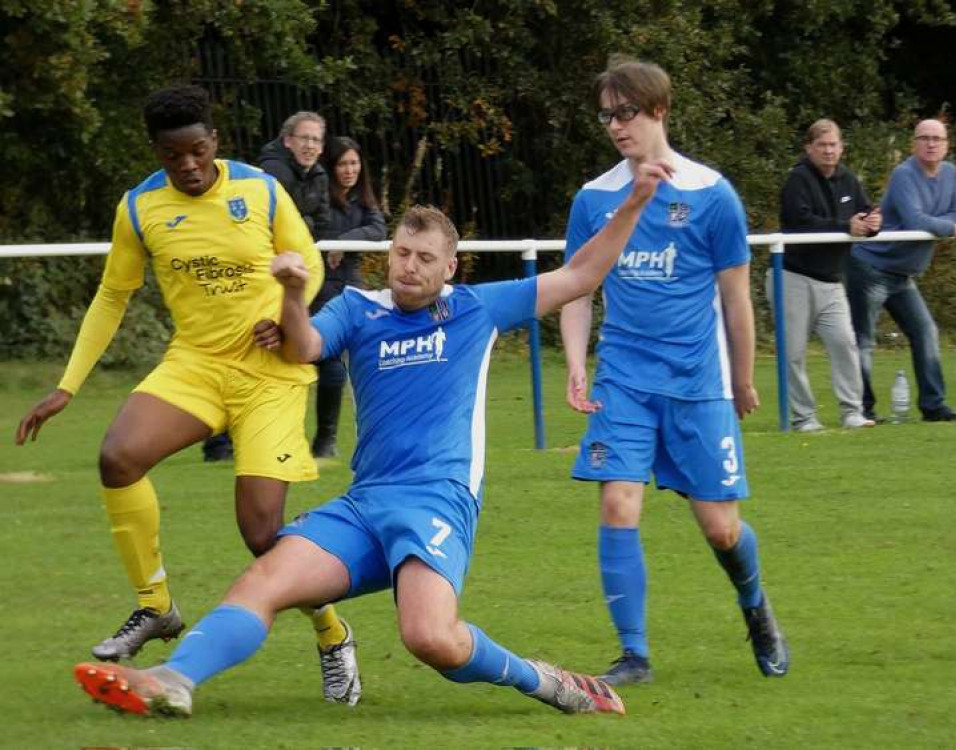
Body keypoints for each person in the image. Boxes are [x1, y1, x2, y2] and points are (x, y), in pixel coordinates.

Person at [71, 173, 672, 718]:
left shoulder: (476, 309)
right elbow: (302, 347)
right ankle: (171, 679)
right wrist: (291, 291)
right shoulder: (358, 309)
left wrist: (638, 200)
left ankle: (543, 681)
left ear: (451, 268)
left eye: (424, 258)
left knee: (430, 639)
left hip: (436, 501)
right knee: (262, 580)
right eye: (401, 253)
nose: (409, 266)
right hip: (365, 504)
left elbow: (582, 275)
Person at [14, 85, 360, 705]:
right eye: (174, 157)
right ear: (158, 153)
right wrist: (68, 386)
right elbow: (112, 296)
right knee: (118, 457)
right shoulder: (140, 208)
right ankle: (155, 607)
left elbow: (306, 256)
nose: (189, 167)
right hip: (196, 365)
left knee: (261, 534)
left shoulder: (259, 189)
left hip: (268, 374)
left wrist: (290, 315)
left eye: (198, 152)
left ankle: (333, 634)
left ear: (215, 143)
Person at [559, 59, 789, 686]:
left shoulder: (712, 195)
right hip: (624, 380)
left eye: (625, 112)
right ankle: (633, 655)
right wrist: (577, 366)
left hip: (697, 383)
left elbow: (738, 299)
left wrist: (742, 378)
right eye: (606, 115)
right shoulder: (594, 199)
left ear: (659, 109)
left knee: (720, 527)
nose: (615, 126)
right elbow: (577, 289)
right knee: (616, 504)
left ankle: (755, 605)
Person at [203, 110, 339, 463]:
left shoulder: (319, 175)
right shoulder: (271, 173)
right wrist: (299, 225)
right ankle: (219, 443)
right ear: (287, 140)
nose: (310, 146)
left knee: (306, 353)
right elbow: (278, 222)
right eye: (304, 138)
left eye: (316, 140)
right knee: (242, 351)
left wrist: (301, 225)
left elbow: (321, 223)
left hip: (297, 274)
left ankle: (319, 441)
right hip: (256, 275)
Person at [846, 118, 956, 423]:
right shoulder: (903, 174)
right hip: (871, 267)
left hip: (903, 275)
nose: (931, 144)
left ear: (946, 145)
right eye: (924, 138)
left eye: (937, 139)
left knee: (926, 331)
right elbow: (916, 220)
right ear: (914, 143)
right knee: (864, 340)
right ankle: (862, 410)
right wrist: (950, 227)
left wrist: (947, 223)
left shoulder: (951, 173)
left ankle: (933, 406)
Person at [775, 118, 882, 432]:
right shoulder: (797, 180)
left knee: (846, 345)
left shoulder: (849, 179)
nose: (828, 151)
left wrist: (873, 223)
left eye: (833, 144)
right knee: (793, 353)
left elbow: (862, 215)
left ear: (841, 147)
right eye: (821, 145)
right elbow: (799, 222)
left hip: (832, 280)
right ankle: (803, 418)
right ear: (809, 148)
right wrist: (845, 226)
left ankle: (853, 413)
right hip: (793, 277)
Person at [307, 136, 387, 458]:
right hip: (318, 289)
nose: (349, 170)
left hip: (351, 288)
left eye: (354, 163)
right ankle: (325, 440)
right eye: (342, 163)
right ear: (331, 166)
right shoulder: (318, 200)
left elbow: (378, 229)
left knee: (373, 360)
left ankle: (348, 440)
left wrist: (345, 240)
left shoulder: (363, 200)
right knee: (330, 366)